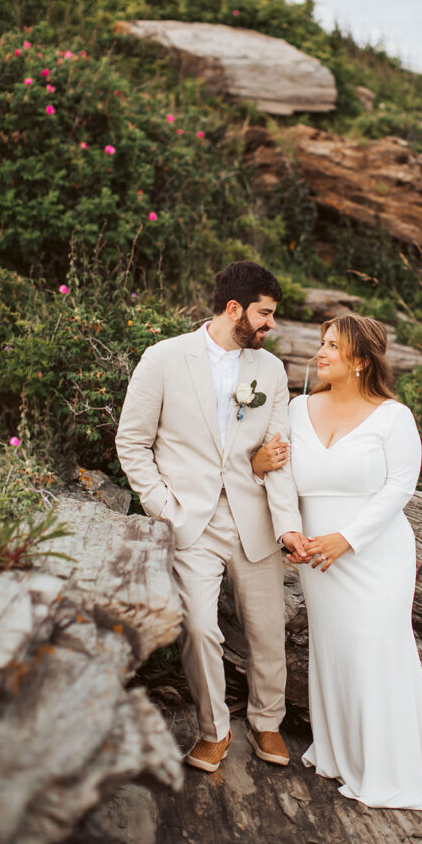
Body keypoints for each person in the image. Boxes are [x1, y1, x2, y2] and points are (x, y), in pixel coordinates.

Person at [252, 313, 422, 822]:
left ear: (361, 361)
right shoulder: (298, 409)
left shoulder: (394, 417)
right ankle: (342, 756)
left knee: (376, 650)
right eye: (321, 343)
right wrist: (261, 469)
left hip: (375, 555)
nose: (319, 353)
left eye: (332, 347)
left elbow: (399, 487)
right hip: (314, 558)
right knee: (335, 652)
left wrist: (347, 538)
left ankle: (390, 773)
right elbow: (274, 470)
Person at [116, 261, 309, 773]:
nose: (272, 325)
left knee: (268, 629)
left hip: (256, 518)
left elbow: (278, 452)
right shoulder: (162, 359)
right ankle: (214, 731)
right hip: (190, 521)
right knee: (199, 627)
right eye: (264, 315)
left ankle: (268, 721)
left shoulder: (269, 370)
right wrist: (162, 505)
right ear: (233, 310)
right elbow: (131, 442)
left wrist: (288, 523)